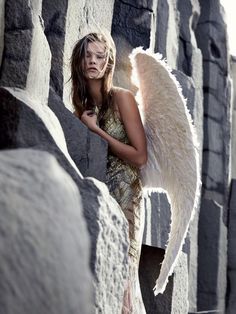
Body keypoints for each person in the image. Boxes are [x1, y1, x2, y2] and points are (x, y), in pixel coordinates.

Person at [71, 32, 147, 313]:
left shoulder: (122, 99)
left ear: (109, 62)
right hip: (99, 194)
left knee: (123, 277)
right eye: (87, 55)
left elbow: (140, 156)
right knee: (101, 271)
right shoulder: (83, 107)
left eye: (100, 56)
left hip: (127, 195)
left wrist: (97, 132)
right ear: (79, 62)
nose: (93, 61)